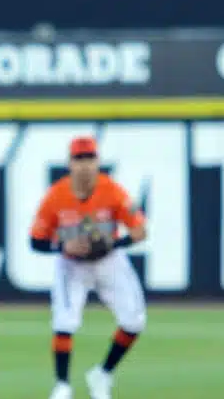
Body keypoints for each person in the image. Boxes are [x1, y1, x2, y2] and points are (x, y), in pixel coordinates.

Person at [29, 136, 148, 399]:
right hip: (72, 265)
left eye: (89, 158)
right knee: (64, 320)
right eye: (79, 159)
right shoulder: (56, 196)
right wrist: (63, 248)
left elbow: (140, 231)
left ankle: (103, 373)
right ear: (69, 163)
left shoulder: (113, 191)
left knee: (134, 320)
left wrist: (115, 242)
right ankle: (62, 385)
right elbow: (35, 241)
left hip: (109, 260)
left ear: (98, 162)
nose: (84, 165)